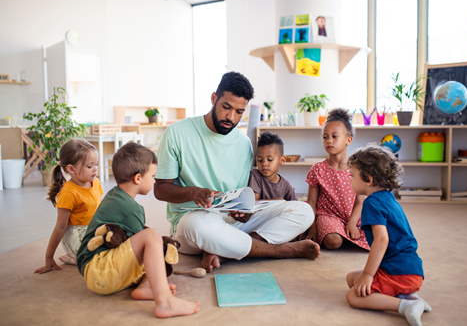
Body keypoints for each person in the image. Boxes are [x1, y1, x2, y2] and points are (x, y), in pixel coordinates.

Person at [154, 71, 320, 273]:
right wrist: (193, 193)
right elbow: (160, 189)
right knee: (196, 225)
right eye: (226, 107)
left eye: (239, 112)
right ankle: (279, 251)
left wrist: (244, 210)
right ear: (214, 98)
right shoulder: (177, 133)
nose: (231, 117)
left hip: (230, 224)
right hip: (194, 222)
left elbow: (241, 195)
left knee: (303, 211)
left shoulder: (243, 144)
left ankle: (224, 252)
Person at [76, 142, 200, 318]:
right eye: (153, 176)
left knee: (153, 245)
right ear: (138, 178)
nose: (155, 180)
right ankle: (165, 302)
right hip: (99, 271)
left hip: (97, 270)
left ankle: (145, 287)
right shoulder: (131, 208)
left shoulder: (115, 196)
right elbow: (142, 249)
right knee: (151, 238)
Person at [345, 144, 431, 326]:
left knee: (354, 296)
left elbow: (382, 239)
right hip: (412, 271)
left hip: (399, 272)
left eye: (352, 176)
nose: (350, 180)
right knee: (351, 279)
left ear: (368, 179)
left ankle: (405, 305)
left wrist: (368, 274)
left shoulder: (372, 203)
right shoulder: (387, 197)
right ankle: (410, 296)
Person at [304, 108, 370, 251]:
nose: (329, 141)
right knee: (334, 242)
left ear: (348, 139)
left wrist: (352, 223)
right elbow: (311, 202)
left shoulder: (358, 168)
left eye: (334, 136)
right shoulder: (317, 169)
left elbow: (359, 202)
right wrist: (313, 229)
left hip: (353, 216)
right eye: (325, 137)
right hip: (328, 216)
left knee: (382, 234)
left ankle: (345, 231)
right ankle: (335, 233)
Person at [35, 139, 103, 273]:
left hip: (93, 227)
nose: (95, 169)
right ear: (71, 169)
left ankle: (77, 256)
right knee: (100, 258)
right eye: (90, 166)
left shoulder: (95, 182)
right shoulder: (68, 193)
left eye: (96, 164)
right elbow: (60, 227)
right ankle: (74, 256)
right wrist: (49, 257)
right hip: (77, 235)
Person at [248, 131, 297, 201]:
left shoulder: (286, 185)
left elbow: (295, 205)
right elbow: (253, 203)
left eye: (270, 159)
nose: (264, 163)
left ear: (282, 160)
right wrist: (278, 201)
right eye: (260, 160)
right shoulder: (255, 176)